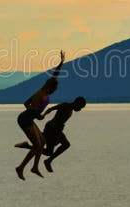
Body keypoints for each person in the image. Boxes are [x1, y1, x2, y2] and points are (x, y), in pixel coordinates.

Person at [15, 50, 65, 180]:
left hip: (28, 118)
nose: (55, 91)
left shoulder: (43, 91)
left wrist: (61, 62)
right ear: (51, 87)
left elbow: (26, 103)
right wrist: (39, 116)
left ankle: (35, 167)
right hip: (25, 120)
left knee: (42, 142)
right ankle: (21, 168)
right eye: (54, 89)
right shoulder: (42, 93)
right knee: (38, 145)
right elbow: (31, 110)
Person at [15, 96, 86, 173]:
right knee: (65, 145)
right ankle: (47, 160)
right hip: (52, 129)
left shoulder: (70, 109)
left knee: (49, 152)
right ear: (77, 103)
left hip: (56, 130)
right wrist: (44, 114)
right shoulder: (66, 105)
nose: (80, 109)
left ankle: (28, 146)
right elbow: (51, 109)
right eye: (80, 107)